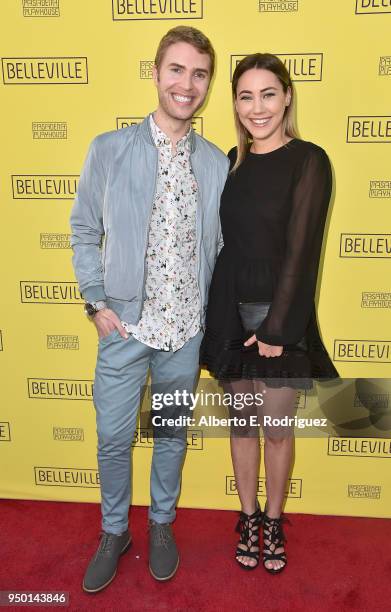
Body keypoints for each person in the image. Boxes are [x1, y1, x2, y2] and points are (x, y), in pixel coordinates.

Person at [70, 26, 229, 592]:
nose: (187, 84)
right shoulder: (109, 150)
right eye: (177, 70)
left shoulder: (215, 164)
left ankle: (161, 524)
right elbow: (85, 229)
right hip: (124, 326)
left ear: (207, 84)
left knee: (169, 433)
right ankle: (116, 531)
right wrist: (94, 302)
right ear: (156, 73)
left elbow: (217, 248)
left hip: (186, 330)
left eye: (199, 74)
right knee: (113, 438)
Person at [200, 53, 339, 574]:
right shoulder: (229, 164)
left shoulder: (310, 160)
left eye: (267, 94)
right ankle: (250, 516)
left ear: (287, 97)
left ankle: (276, 522)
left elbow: (303, 253)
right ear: (235, 104)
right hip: (228, 317)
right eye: (245, 96)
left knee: (277, 428)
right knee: (241, 425)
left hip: (280, 319)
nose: (257, 107)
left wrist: (278, 328)